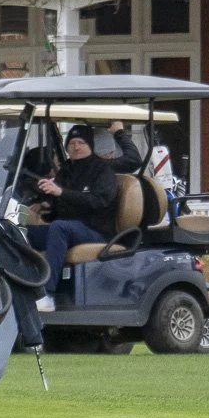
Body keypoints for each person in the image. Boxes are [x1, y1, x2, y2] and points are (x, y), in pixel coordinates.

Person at [25, 123, 123, 312]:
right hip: (69, 228)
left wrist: (60, 192)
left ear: (90, 145)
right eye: (72, 143)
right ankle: (24, 289)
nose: (76, 147)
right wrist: (45, 204)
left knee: (59, 228)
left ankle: (47, 294)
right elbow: (61, 203)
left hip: (96, 230)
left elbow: (98, 202)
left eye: (81, 142)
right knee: (22, 233)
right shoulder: (67, 169)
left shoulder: (103, 170)